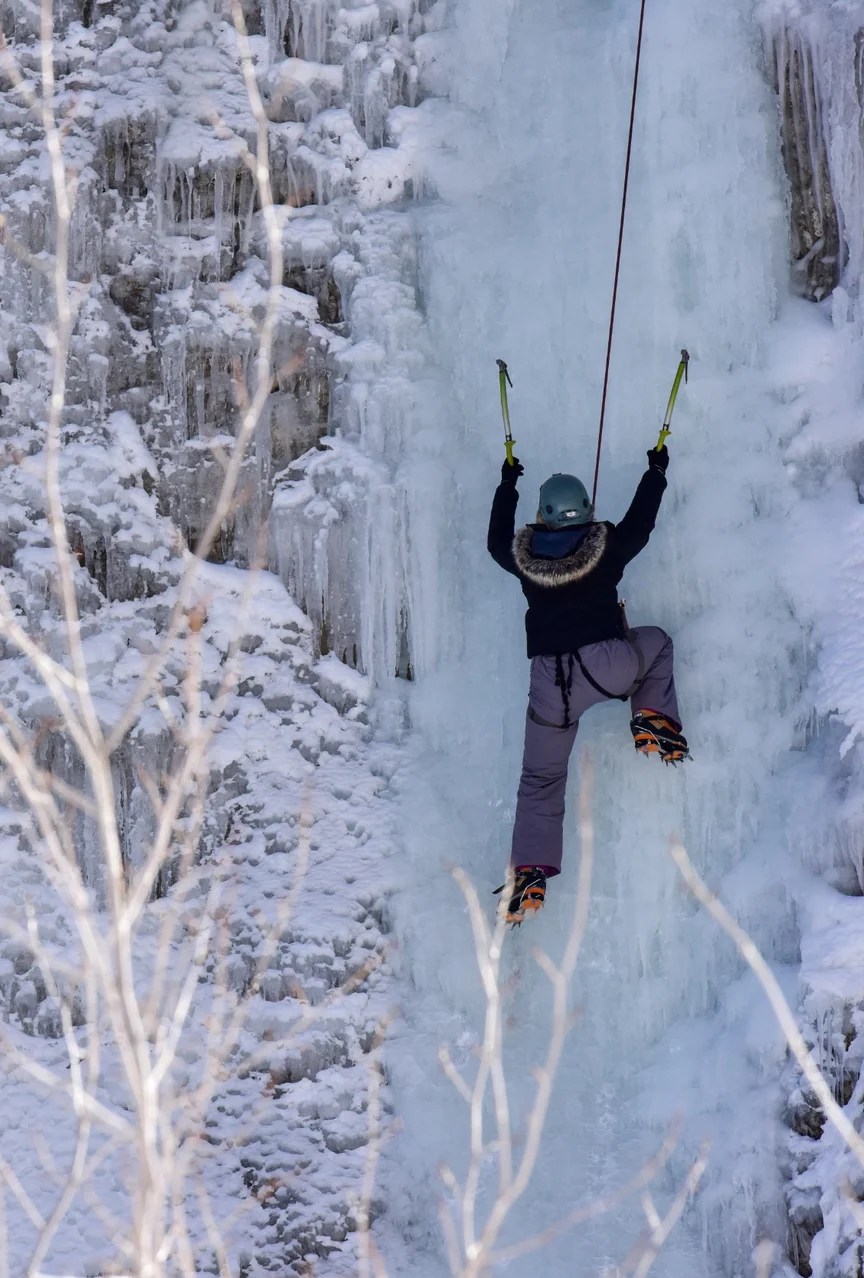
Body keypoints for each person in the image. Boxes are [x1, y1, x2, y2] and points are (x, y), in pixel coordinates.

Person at [487, 444, 688, 926]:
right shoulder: (607, 547)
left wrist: (507, 484)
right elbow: (641, 523)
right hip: (607, 666)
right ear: (587, 511)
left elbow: (497, 541)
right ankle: (651, 718)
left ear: (545, 516)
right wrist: (655, 471)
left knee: (540, 780)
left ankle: (530, 874)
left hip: (550, 687)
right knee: (656, 643)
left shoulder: (524, 559)